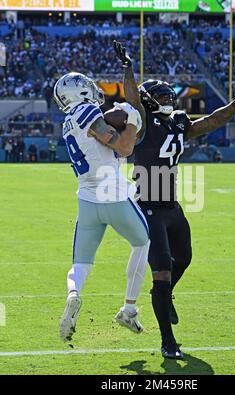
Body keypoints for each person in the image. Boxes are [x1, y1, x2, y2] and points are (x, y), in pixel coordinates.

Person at [113, 40, 235, 359]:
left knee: (185, 259)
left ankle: (164, 300)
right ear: (152, 100)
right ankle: (168, 343)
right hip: (149, 207)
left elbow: (209, 122)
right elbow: (131, 97)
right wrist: (128, 68)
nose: (169, 100)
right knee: (162, 272)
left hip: (172, 206)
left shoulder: (178, 123)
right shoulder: (142, 123)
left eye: (171, 96)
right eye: (164, 96)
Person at [53, 72, 150, 342]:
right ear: (79, 92)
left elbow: (105, 139)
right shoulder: (86, 112)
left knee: (80, 264)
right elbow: (124, 147)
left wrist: (121, 117)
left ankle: (73, 295)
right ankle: (128, 309)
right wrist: (131, 120)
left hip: (86, 199)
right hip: (114, 194)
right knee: (142, 243)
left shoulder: (67, 122)